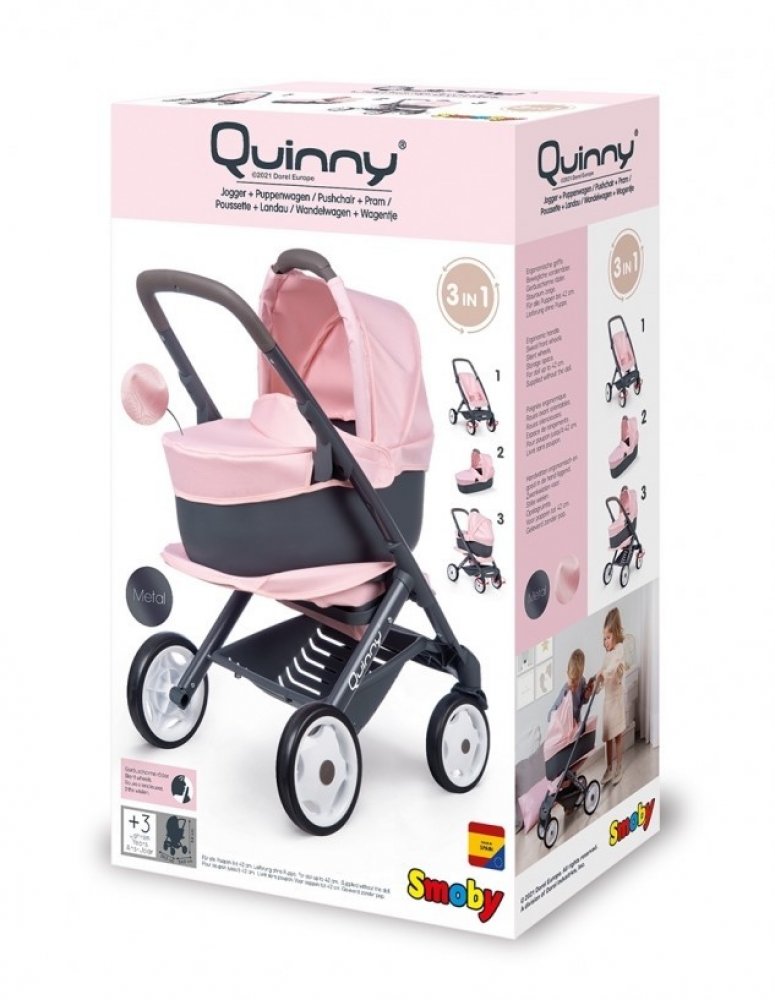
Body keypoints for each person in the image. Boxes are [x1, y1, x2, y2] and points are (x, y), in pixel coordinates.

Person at [597, 608, 627, 785]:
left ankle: (619, 767)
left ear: (615, 634)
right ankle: (608, 768)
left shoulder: (619, 650)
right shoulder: (607, 655)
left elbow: (613, 668)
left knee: (617, 736)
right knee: (608, 736)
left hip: (616, 700)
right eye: (604, 638)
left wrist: (604, 673)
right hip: (608, 702)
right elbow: (603, 672)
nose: (605, 641)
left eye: (608, 637)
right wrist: (597, 681)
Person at [548, 648, 594, 724]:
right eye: (571, 682)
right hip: (565, 727)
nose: (573, 688)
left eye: (575, 685)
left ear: (581, 676)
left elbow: (582, 702)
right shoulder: (565, 691)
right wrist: (559, 717)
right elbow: (550, 715)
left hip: (576, 725)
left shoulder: (582, 682)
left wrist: (586, 696)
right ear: (567, 673)